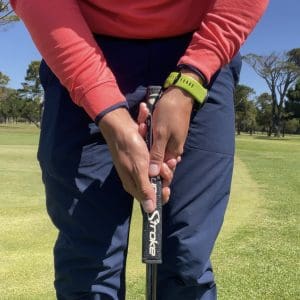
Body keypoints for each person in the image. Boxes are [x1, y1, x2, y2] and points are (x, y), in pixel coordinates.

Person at [11, 1, 269, 299]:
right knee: (87, 267)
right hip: (79, 40)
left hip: (201, 45)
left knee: (186, 260)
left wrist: (189, 83)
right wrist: (106, 109)